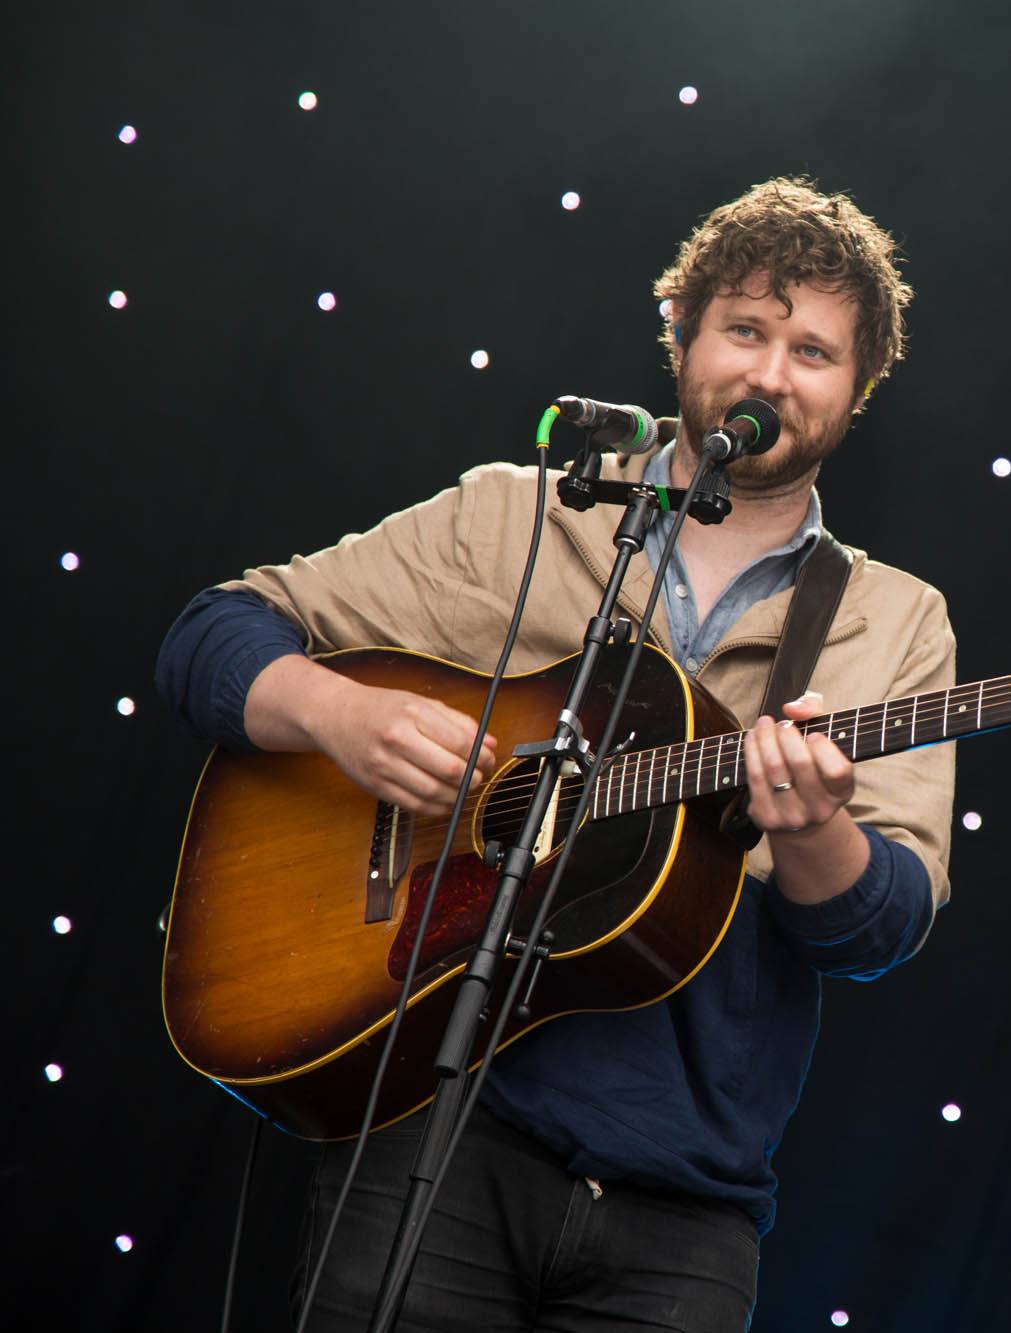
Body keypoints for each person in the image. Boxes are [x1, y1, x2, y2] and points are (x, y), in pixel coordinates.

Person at [155, 176, 954, 1331]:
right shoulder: (512, 519)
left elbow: (878, 929)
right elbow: (211, 634)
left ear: (855, 389)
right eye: (744, 330)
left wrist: (814, 824)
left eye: (813, 352)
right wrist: (339, 715)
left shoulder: (893, 620)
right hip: (438, 1123)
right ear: (682, 336)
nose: (770, 375)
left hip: (686, 1201)